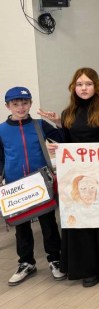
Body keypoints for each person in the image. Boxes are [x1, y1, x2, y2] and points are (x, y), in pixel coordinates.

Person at [44, 68, 99, 287]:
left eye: (88, 84)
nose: (84, 88)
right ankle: (88, 268)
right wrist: (57, 144)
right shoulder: (67, 113)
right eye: (80, 84)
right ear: (74, 87)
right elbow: (67, 143)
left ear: (96, 87)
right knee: (82, 223)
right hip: (78, 176)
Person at [0, 87, 65, 285]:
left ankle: (55, 259)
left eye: (24, 103)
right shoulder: (1, 130)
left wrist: (58, 123)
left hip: (41, 183)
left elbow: (63, 138)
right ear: (7, 106)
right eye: (15, 104)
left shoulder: (40, 125)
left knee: (48, 224)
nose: (20, 107)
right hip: (16, 186)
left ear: (30, 104)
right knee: (22, 227)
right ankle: (26, 262)